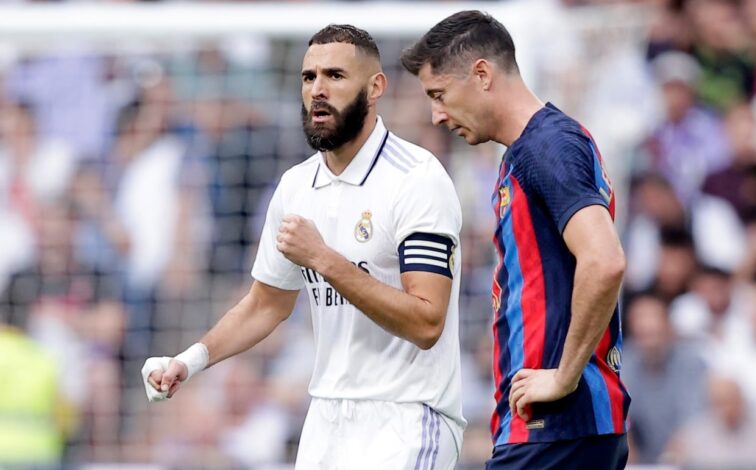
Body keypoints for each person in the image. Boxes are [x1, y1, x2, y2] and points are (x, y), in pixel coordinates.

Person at [141, 24, 465, 469]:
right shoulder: (296, 187)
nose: (317, 90)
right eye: (308, 77)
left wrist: (324, 260)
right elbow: (265, 304)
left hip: (407, 417)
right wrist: (190, 361)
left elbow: (427, 322)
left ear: (375, 88)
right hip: (327, 421)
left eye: (334, 76)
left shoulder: (417, 179)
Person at [402, 11, 630, 469]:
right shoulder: (526, 152)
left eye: (440, 94)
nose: (437, 114)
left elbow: (604, 261)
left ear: (482, 74)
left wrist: (563, 377)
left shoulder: (546, 146)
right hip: (556, 428)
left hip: (557, 426)